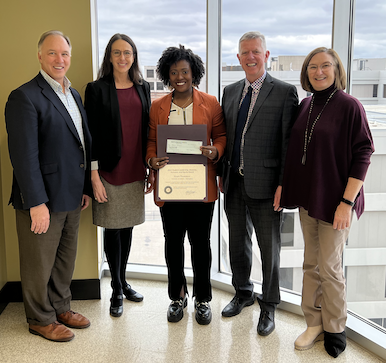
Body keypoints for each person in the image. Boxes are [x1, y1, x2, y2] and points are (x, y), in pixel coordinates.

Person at [281, 47, 374, 358]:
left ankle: (335, 326)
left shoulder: (350, 106)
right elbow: (295, 152)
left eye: (325, 67)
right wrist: (285, 186)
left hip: (336, 200)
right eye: (312, 67)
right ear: (306, 72)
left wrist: (347, 202)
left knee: (330, 267)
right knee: (311, 262)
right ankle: (313, 321)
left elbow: (364, 153)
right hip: (309, 199)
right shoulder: (306, 104)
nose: (318, 72)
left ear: (337, 70)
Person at [5, 30, 92, 342]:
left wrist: (84, 186)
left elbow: (79, 145)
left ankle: (60, 306)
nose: (60, 59)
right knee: (38, 263)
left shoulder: (73, 94)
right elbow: (24, 156)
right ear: (40, 56)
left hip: (71, 194)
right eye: (52, 53)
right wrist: (35, 203)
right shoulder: (24, 96)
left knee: (65, 259)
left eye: (65, 54)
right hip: (42, 198)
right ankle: (40, 318)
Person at [220, 31, 298, 336]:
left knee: (270, 249)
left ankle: (269, 305)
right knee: (238, 243)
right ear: (238, 58)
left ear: (266, 56)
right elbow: (226, 137)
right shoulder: (230, 91)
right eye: (244, 53)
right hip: (234, 183)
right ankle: (242, 292)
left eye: (255, 52)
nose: (250, 57)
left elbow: (288, 146)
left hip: (267, 186)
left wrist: (283, 185)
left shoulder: (284, 92)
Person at [146, 45, 226, 325]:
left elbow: (221, 136)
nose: (180, 77)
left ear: (194, 73)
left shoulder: (211, 103)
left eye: (184, 71)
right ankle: (177, 296)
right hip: (171, 187)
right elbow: (152, 142)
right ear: (167, 76)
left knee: (201, 245)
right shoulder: (158, 107)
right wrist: (151, 160)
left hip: (201, 188)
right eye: (174, 72)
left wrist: (215, 151)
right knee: (173, 244)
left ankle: (202, 299)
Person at [84, 34, 152, 317]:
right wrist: (94, 175)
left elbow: (147, 129)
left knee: (128, 227)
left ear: (134, 56)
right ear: (109, 57)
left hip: (136, 169)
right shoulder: (97, 89)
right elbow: (91, 136)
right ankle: (115, 290)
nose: (122, 58)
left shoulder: (143, 87)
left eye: (127, 52)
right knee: (113, 230)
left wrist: (150, 168)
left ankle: (123, 282)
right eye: (116, 53)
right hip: (109, 171)